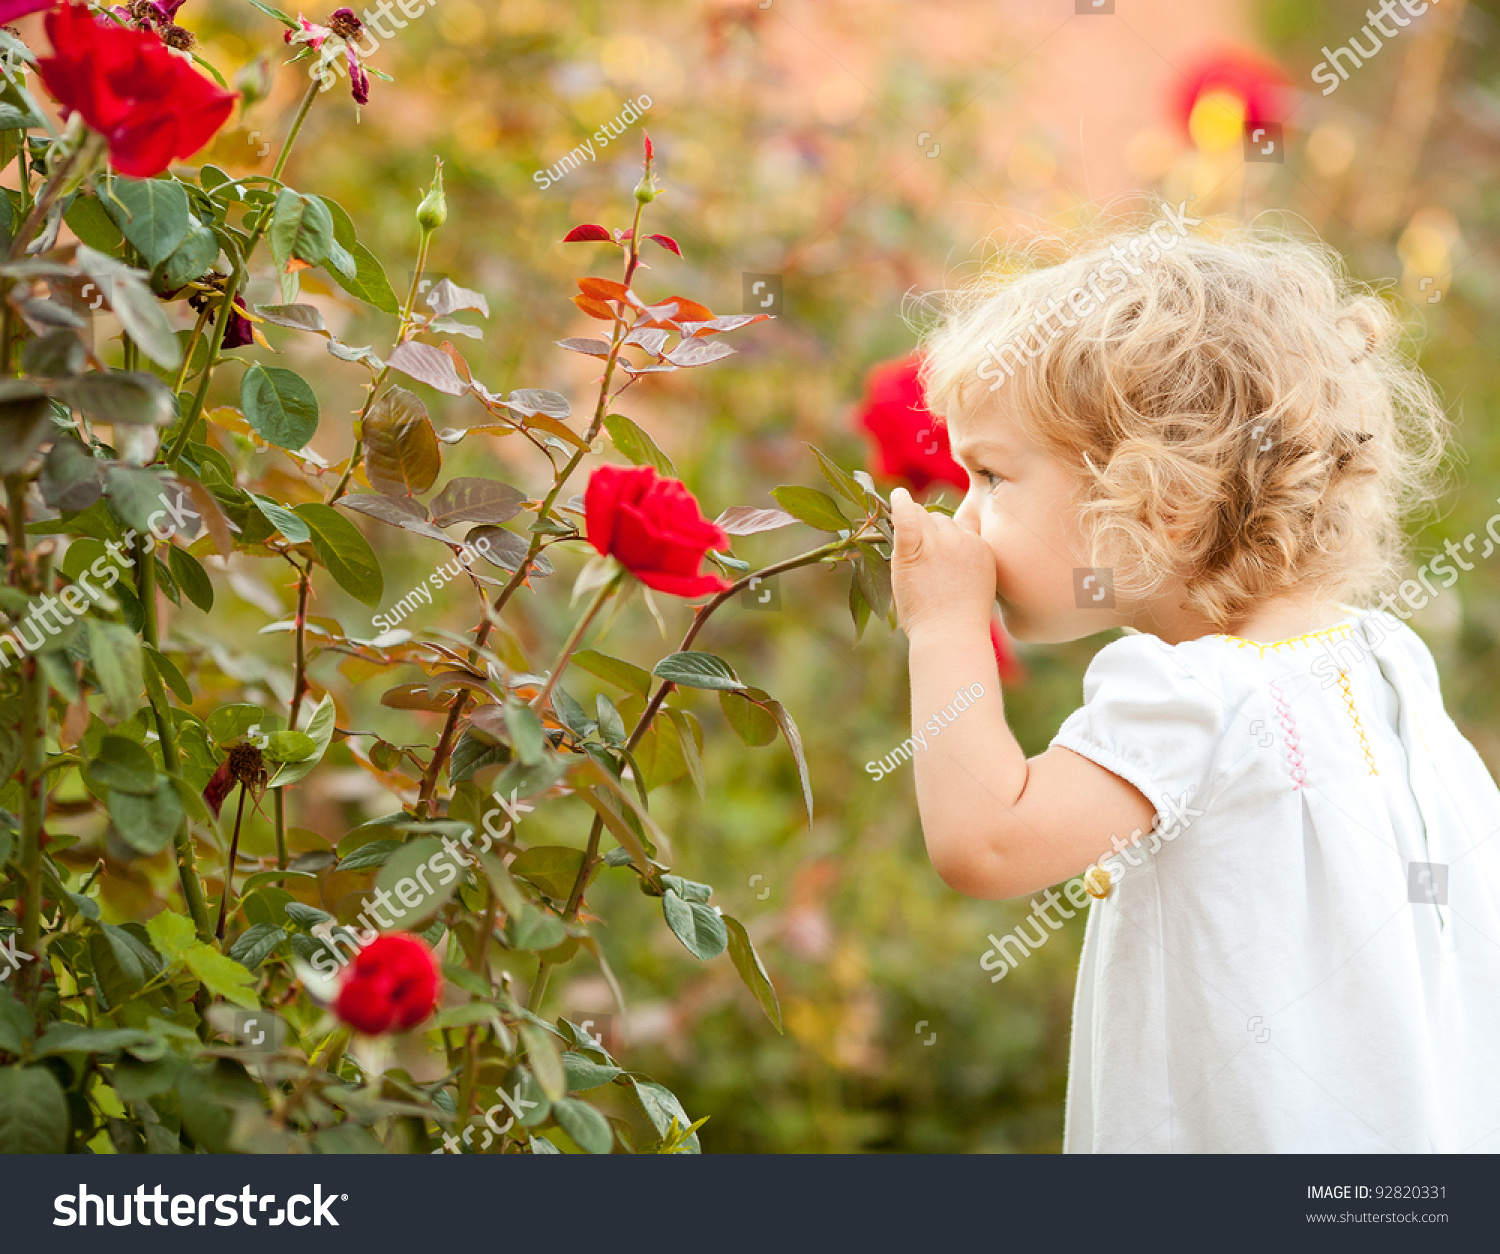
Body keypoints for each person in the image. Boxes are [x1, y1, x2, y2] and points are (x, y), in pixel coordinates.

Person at [888, 220, 1500, 1153]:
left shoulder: (1198, 698)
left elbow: (987, 842)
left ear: (1158, 498)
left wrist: (939, 626)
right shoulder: (1385, 662)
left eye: (991, 475)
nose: (963, 517)